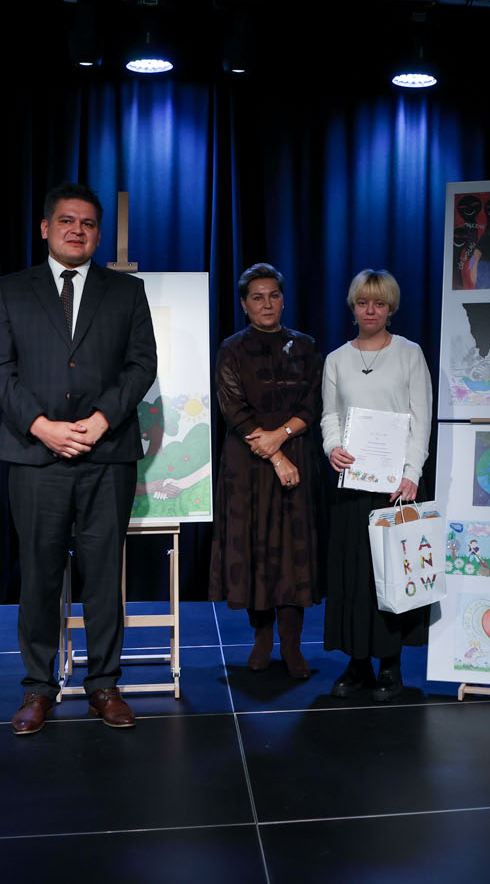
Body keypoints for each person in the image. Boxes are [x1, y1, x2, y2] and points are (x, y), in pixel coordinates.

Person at [0, 181, 157, 735]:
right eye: (66, 220)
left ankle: (104, 684)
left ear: (98, 234)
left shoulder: (126, 292)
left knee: (103, 577)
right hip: (36, 456)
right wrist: (42, 427)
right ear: (45, 228)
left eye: (87, 223)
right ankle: (38, 688)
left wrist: (102, 420)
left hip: (107, 455)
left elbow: (141, 365)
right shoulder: (12, 290)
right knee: (39, 576)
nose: (77, 230)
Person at [321, 269, 433, 701]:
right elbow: (330, 415)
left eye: (379, 303)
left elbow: (420, 417)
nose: (371, 310)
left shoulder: (409, 354)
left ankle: (390, 663)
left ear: (391, 308)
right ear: (353, 308)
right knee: (353, 575)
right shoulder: (337, 359)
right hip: (351, 483)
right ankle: (356, 663)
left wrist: (411, 473)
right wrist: (332, 447)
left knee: (391, 573)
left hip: (396, 485)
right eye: (363, 303)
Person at [209, 263, 323, 678]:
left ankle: (292, 647)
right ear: (244, 304)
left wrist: (283, 436)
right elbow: (233, 409)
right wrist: (274, 453)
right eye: (257, 297)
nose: (267, 304)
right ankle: (261, 640)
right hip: (249, 463)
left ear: (283, 299)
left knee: (294, 555)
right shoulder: (231, 349)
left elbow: (314, 402)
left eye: (273, 295)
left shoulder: (305, 346)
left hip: (297, 459)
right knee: (255, 550)